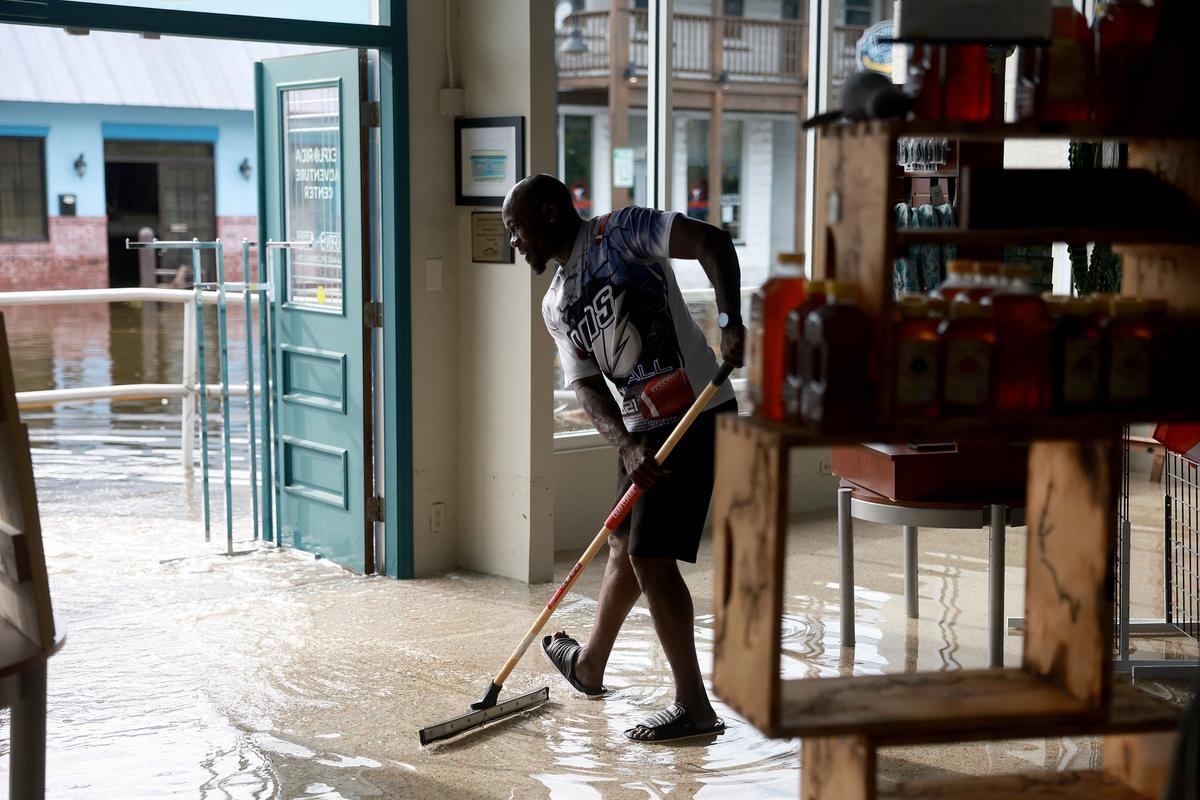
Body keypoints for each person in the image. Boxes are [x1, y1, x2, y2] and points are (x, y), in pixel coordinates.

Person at [501, 174, 745, 743]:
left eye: (516, 228)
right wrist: (626, 441)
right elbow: (585, 385)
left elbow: (712, 242)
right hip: (640, 434)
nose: (513, 240)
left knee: (651, 561)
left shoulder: (626, 231)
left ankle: (694, 708)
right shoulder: (555, 303)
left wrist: (731, 323)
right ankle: (589, 665)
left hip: (694, 413)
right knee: (621, 544)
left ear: (550, 214)